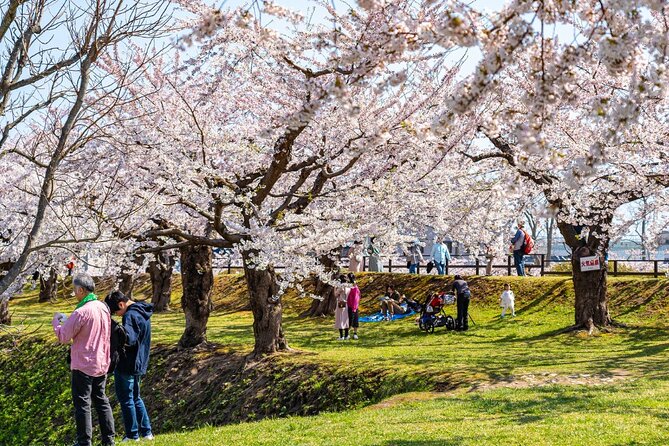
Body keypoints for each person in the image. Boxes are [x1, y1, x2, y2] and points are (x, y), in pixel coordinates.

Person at [52, 273, 115, 446]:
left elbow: (64, 336)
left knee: (82, 404)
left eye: (74, 290)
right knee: (101, 400)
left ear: (81, 290)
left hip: (84, 363)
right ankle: (109, 439)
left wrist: (56, 322)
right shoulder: (103, 307)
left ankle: (84, 441)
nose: (74, 293)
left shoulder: (82, 311)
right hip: (101, 361)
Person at [104, 291, 155, 442]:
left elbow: (129, 339)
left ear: (121, 304)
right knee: (136, 397)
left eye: (116, 312)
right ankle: (146, 432)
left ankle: (132, 435)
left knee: (126, 399)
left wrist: (115, 329)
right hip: (139, 362)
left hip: (127, 363)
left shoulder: (130, 315)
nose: (117, 315)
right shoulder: (142, 311)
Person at [334, 275, 350, 340]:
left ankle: (341, 336)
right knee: (346, 319)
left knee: (340, 319)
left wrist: (335, 288)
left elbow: (335, 294)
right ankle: (346, 335)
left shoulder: (341, 287)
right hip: (347, 304)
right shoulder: (349, 287)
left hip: (341, 303)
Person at [346, 273, 361, 340]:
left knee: (353, 319)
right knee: (350, 319)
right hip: (351, 304)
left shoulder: (353, 285)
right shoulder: (349, 285)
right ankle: (349, 333)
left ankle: (353, 333)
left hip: (353, 305)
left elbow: (356, 295)